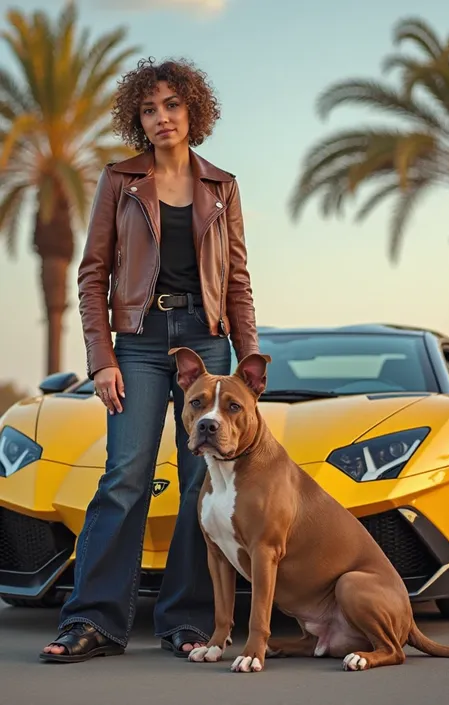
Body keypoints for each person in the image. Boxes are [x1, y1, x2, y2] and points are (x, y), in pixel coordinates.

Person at [40, 57, 259, 663]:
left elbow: (237, 277)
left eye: (172, 105)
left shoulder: (222, 186)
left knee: (200, 481)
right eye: (149, 109)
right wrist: (101, 357)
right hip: (136, 338)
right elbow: (92, 275)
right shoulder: (119, 181)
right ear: (138, 118)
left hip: (209, 341)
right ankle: (92, 622)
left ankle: (187, 622)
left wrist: (247, 359)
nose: (162, 117)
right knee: (126, 475)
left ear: (193, 110)